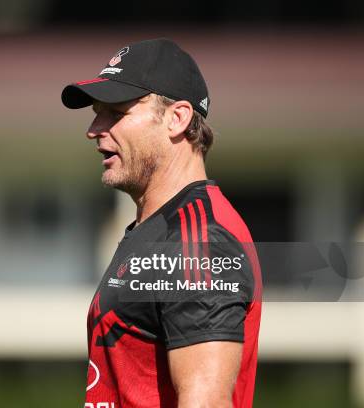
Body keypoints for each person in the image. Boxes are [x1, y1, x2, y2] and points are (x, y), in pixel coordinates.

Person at [61, 38, 262, 408]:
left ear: (177, 118)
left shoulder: (198, 241)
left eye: (115, 112)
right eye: (96, 112)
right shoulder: (159, 229)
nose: (94, 129)